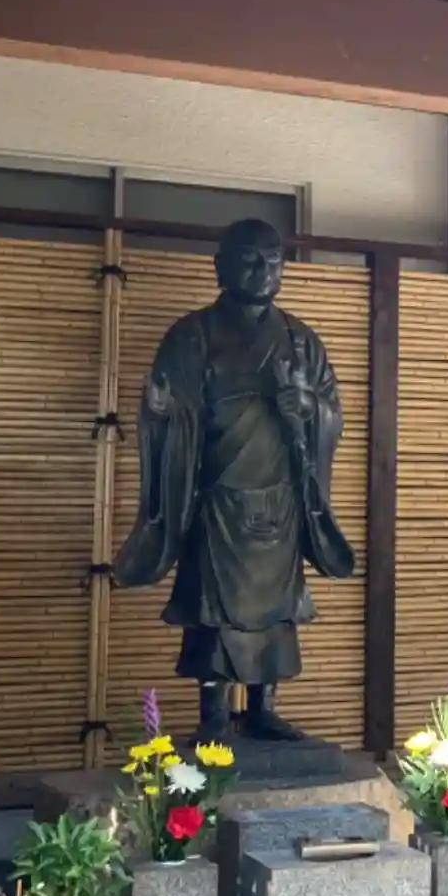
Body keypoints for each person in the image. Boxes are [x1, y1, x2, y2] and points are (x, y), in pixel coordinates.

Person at [114, 218, 353, 741]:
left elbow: (332, 414)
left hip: (280, 500)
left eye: (274, 261)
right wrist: (163, 412)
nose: (263, 270)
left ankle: (264, 708)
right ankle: (214, 715)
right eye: (249, 259)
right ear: (220, 266)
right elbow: (165, 409)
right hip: (216, 497)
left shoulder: (301, 340)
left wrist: (308, 408)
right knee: (212, 611)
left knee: (277, 611)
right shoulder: (192, 335)